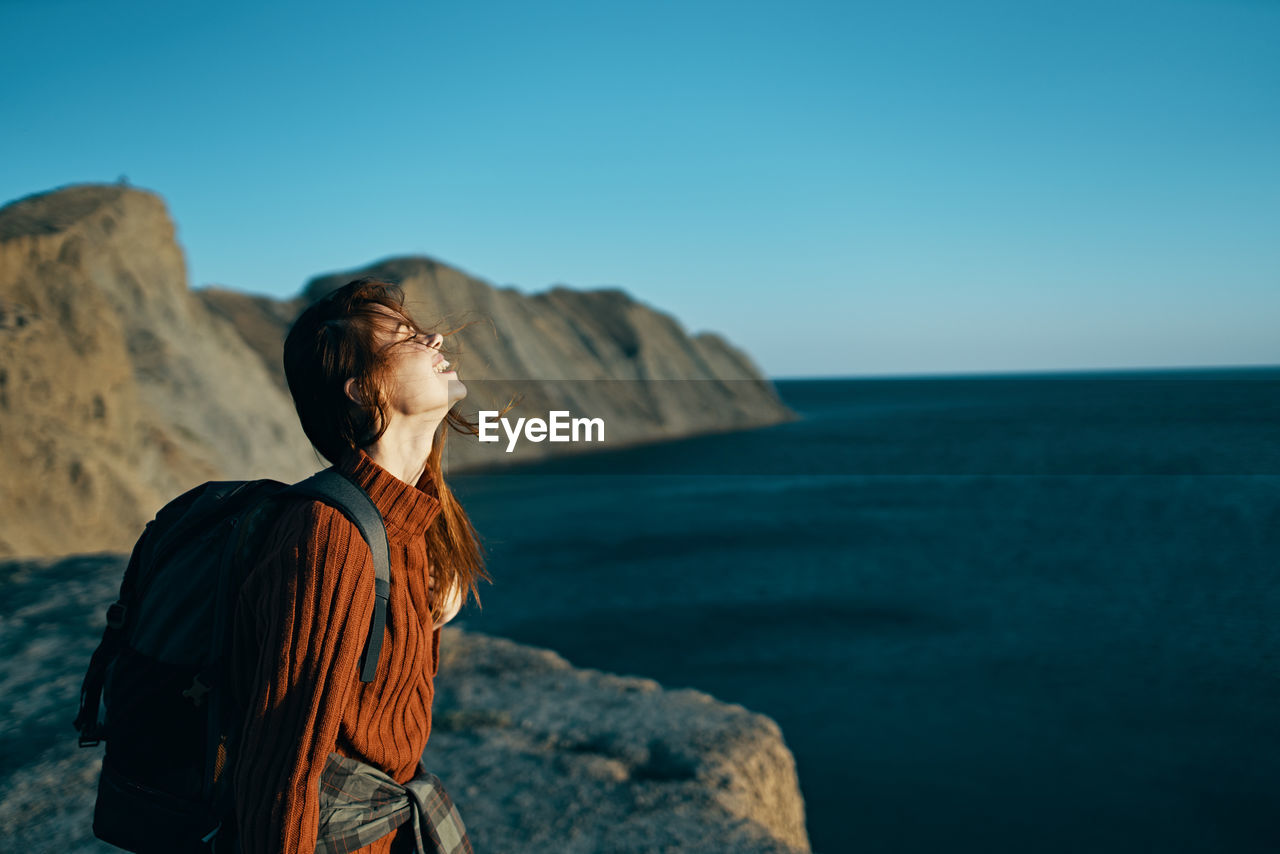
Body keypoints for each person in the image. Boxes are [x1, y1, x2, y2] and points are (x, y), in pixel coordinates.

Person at [225, 277, 490, 854]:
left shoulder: (413, 521)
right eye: (407, 337)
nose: (437, 337)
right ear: (364, 390)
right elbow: (284, 763)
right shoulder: (332, 535)